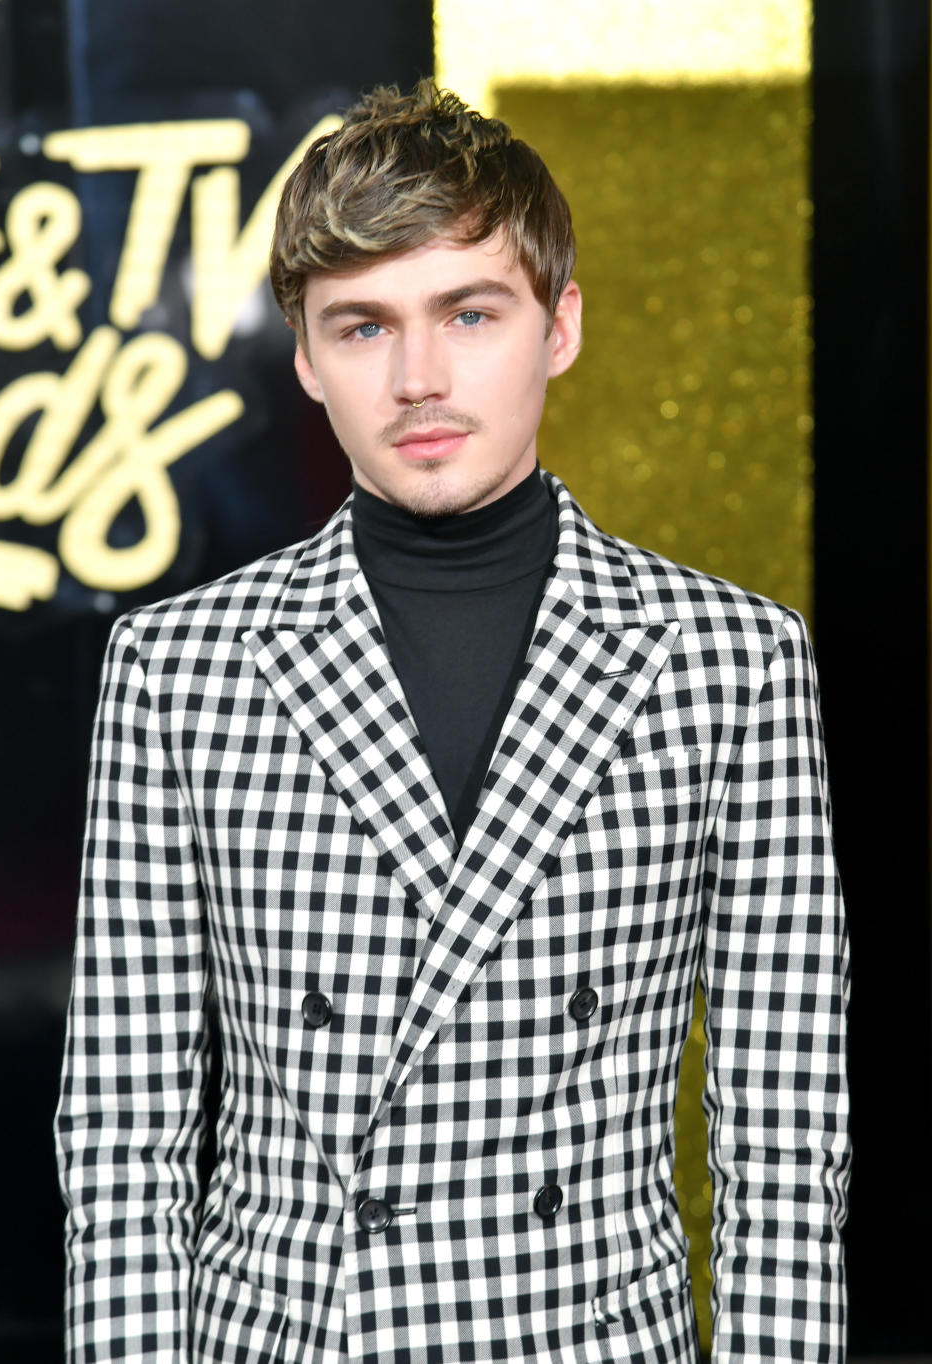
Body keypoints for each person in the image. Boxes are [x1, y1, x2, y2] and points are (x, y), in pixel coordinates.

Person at [56, 83, 850, 1363]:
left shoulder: (731, 661)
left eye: (469, 313)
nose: (418, 377)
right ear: (305, 356)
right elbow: (123, 1122)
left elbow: (783, 1121)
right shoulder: (177, 667)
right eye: (363, 326)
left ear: (559, 326)